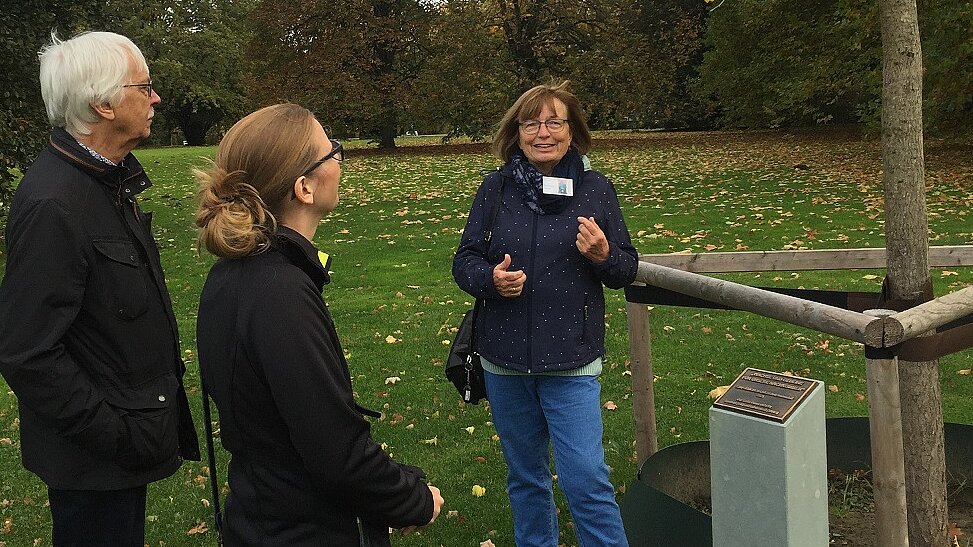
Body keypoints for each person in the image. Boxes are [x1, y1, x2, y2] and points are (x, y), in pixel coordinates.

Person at [194, 103, 444, 546]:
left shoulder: (235, 273)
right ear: (304, 187)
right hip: (300, 529)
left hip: (260, 517)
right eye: (332, 151)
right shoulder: (280, 293)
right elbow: (335, 451)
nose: (340, 160)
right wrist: (413, 499)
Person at [0, 31, 200, 546]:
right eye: (145, 87)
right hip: (93, 465)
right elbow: (27, 351)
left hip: (117, 451)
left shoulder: (105, 183)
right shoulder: (54, 205)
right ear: (103, 103)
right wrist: (116, 435)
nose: (155, 98)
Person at [453, 81, 638, 547]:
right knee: (526, 479)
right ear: (516, 133)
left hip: (571, 362)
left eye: (554, 122)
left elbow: (626, 268)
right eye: (531, 123)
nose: (542, 132)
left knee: (586, 481)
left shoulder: (596, 189)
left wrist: (602, 254)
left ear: (571, 132)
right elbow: (465, 260)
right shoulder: (495, 190)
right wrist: (490, 280)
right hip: (504, 361)